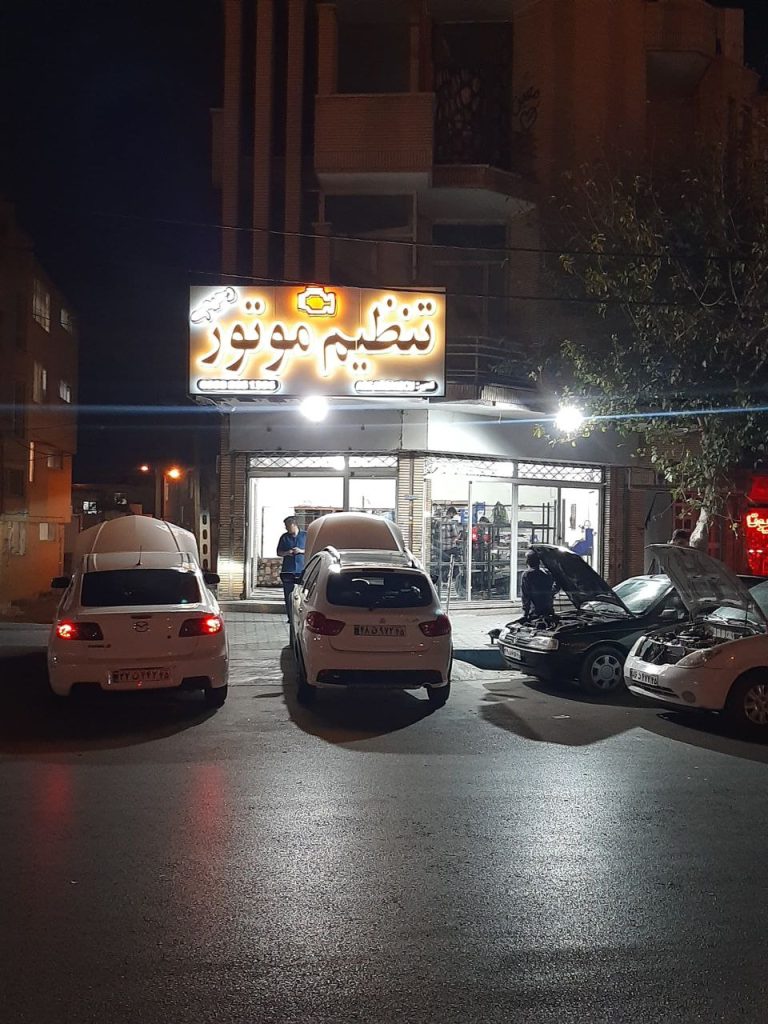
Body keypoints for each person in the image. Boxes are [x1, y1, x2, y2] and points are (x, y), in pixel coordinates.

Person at [276, 516, 306, 622]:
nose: (286, 528)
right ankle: (291, 617)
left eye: (287, 526)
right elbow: (279, 552)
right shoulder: (284, 537)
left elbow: (311, 549)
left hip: (302, 570)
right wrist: (287, 553)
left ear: (294, 525)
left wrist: (301, 551)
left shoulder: (305, 536)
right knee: (288, 595)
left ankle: (301, 616)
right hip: (288, 570)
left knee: (302, 594)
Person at [520, 550, 558, 622]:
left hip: (535, 611)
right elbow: (555, 587)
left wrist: (525, 613)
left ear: (527, 562)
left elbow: (525, 595)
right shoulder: (547, 573)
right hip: (548, 610)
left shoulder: (527, 575)